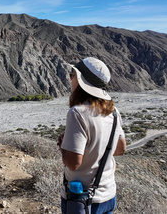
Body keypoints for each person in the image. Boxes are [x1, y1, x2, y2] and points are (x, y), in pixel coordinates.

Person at [57, 57, 127, 214]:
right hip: (109, 195)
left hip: (82, 199)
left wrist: (63, 147)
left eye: (72, 74)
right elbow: (120, 149)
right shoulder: (113, 112)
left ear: (81, 80)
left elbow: (73, 163)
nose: (70, 78)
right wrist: (96, 148)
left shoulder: (77, 113)